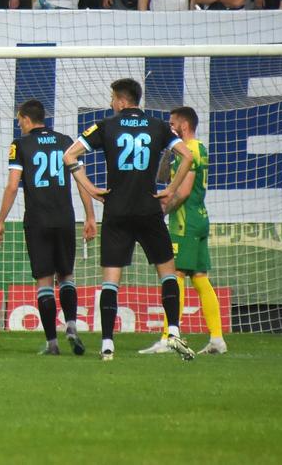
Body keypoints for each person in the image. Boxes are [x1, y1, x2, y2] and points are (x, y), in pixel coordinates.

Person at [64, 78, 198, 361]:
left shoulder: (106, 126)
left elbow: (69, 155)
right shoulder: (158, 126)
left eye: (113, 98)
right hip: (149, 209)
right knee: (167, 273)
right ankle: (173, 331)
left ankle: (107, 344)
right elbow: (187, 158)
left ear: (122, 100)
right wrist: (170, 191)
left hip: (117, 210)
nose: (111, 103)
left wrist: (88, 187)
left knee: (111, 280)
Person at [0, 99, 94, 355]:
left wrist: (1, 220)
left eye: (19, 121)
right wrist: (90, 216)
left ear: (27, 119)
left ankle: (52, 342)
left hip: (38, 220)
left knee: (44, 281)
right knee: (66, 276)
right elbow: (82, 181)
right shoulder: (65, 141)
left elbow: (12, 186)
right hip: (64, 218)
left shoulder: (21, 145)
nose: (19, 126)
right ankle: (71, 325)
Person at [141, 107, 227, 356]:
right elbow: (162, 176)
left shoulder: (190, 149)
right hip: (199, 217)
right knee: (200, 277)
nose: (169, 127)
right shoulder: (192, 149)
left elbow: (184, 190)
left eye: (172, 123)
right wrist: (168, 148)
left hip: (185, 221)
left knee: (174, 274)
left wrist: (162, 212)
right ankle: (217, 338)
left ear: (184, 125)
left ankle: (170, 337)